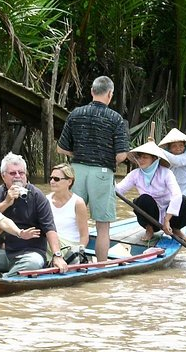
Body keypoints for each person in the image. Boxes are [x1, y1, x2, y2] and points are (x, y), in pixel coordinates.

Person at [57, 76, 129, 262]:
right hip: (103, 174)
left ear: (92, 91)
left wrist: (80, 155)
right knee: (102, 227)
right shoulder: (116, 119)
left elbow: (61, 148)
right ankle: (101, 268)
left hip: (76, 171)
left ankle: (66, 260)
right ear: (110, 94)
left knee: (71, 219)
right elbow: (121, 155)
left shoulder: (76, 114)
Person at [0, 153, 68, 276]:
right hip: (2, 252)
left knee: (34, 263)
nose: (18, 177)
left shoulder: (37, 196)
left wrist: (57, 255)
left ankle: (3, 279)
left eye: (21, 173)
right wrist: (6, 202)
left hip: (29, 254)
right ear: (3, 176)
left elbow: (49, 228)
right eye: (13, 173)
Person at [114, 140, 186, 242]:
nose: (141, 160)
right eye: (140, 157)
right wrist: (110, 177)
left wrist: (167, 220)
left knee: (184, 200)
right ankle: (149, 229)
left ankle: (176, 229)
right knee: (143, 199)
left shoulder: (166, 173)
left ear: (154, 159)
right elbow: (119, 190)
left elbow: (176, 195)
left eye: (145, 157)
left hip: (170, 215)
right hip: (150, 215)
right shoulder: (135, 174)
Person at [47, 163, 89, 248]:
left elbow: (84, 235)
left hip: (70, 245)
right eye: (51, 178)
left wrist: (79, 251)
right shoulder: (46, 200)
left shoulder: (78, 203)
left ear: (69, 181)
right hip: (51, 242)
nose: (52, 182)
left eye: (56, 179)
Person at [158, 128, 186, 203]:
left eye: (181, 145)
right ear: (169, 149)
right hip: (173, 199)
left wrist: (157, 149)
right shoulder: (167, 161)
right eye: (174, 146)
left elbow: (177, 161)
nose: (178, 148)